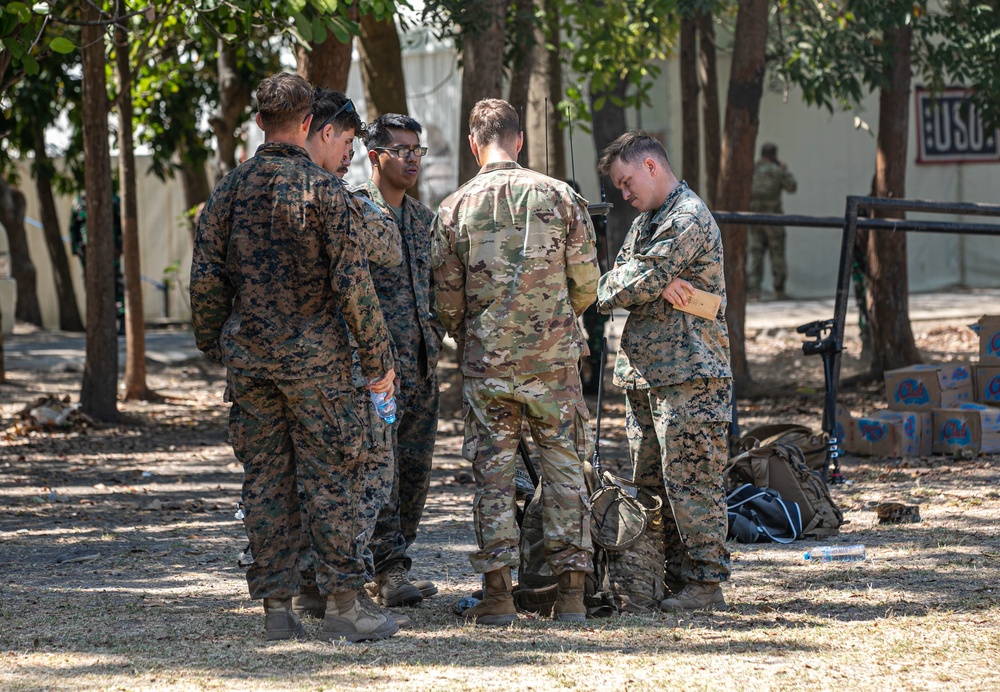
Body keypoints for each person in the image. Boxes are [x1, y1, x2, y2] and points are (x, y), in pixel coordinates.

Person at [190, 72, 399, 643]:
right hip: (317, 366)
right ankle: (344, 606)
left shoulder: (229, 190)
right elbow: (353, 285)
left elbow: (206, 275)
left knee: (265, 481)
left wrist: (216, 342)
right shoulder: (325, 191)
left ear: (260, 121)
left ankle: (277, 609)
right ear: (307, 123)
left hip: (252, 363)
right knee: (331, 478)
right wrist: (378, 360)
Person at [432, 98, 600, 625]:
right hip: (553, 364)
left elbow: (447, 303)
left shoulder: (453, 208)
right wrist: (551, 324)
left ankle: (499, 597)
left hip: (488, 367)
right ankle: (572, 594)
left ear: (473, 143)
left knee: (494, 475)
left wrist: (479, 335)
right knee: (566, 468)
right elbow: (586, 284)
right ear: (519, 140)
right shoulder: (561, 196)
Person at [595, 131, 733, 612]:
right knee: (651, 486)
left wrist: (642, 280)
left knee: (693, 482)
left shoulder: (687, 216)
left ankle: (705, 582)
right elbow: (625, 274)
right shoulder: (648, 220)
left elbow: (634, 280)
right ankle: (668, 577)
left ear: (651, 166)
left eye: (627, 181)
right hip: (648, 375)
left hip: (690, 376)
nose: (624, 194)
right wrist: (641, 279)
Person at [292, 88, 406, 625]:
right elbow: (384, 250)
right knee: (360, 476)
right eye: (348, 140)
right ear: (321, 131)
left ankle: (307, 589)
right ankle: (342, 590)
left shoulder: (262, 193)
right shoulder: (340, 199)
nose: (352, 153)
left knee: (307, 477)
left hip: (291, 364)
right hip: (346, 365)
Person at [361, 113, 443, 608]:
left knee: (414, 473)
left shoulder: (422, 220)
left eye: (418, 149)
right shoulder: (357, 213)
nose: (412, 158)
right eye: (402, 149)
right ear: (374, 156)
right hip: (377, 375)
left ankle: (396, 561)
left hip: (423, 367)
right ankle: (387, 571)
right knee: (381, 474)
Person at [69, 191, 125, 332]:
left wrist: (120, 247)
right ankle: (96, 321)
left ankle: (122, 319)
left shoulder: (113, 199)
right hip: (87, 251)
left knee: (115, 282)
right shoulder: (78, 202)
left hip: (110, 249)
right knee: (91, 285)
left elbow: (120, 224)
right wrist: (76, 249)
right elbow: (73, 228)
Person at [747, 142, 796, 301]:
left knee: (756, 254)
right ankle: (779, 290)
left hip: (754, 219)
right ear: (774, 155)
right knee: (777, 255)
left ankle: (754, 292)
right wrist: (784, 171)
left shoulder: (751, 171)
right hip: (774, 219)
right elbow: (792, 187)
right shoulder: (777, 171)